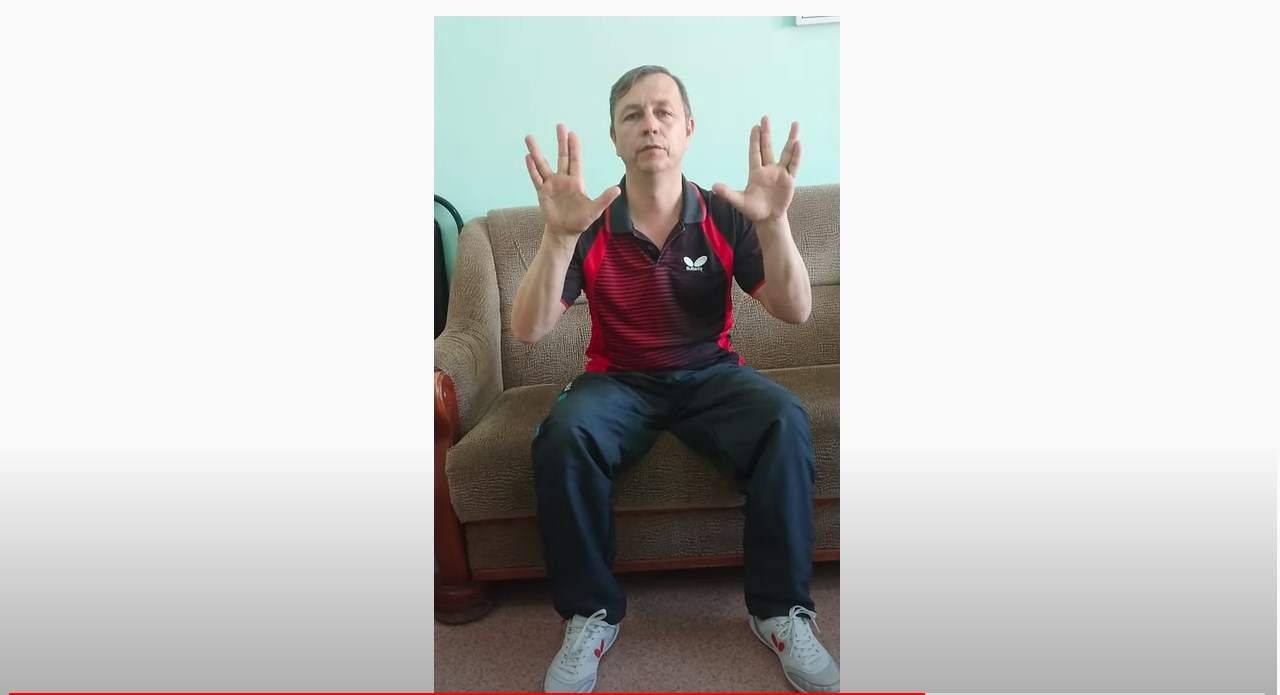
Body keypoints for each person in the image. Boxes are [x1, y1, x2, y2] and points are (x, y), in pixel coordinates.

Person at [512, 65, 839, 693]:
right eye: (632, 115)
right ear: (614, 137)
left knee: (784, 418)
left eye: (663, 112)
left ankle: (778, 611)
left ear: (688, 129)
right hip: (617, 381)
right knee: (563, 434)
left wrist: (774, 223)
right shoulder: (589, 219)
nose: (650, 125)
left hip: (709, 374)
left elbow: (796, 310)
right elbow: (529, 329)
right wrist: (557, 237)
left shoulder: (724, 214)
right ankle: (591, 615)